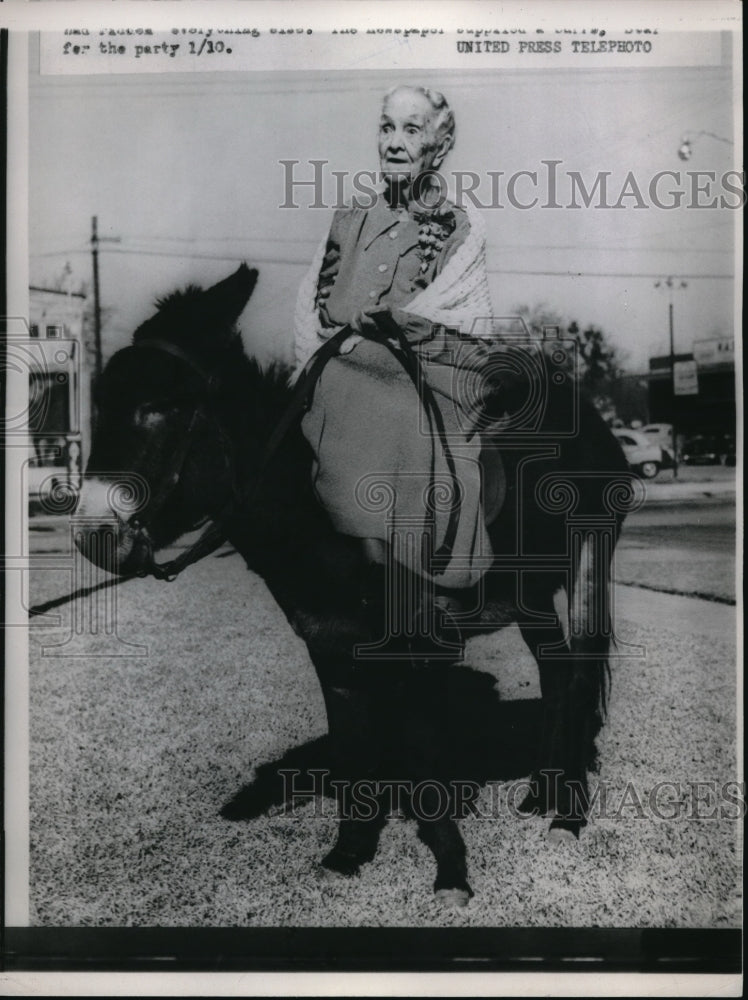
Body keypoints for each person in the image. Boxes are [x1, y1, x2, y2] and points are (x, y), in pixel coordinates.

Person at [294, 85, 500, 644]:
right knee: (307, 404)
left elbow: (447, 309)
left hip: (426, 361)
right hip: (343, 356)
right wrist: (344, 333)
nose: (394, 142)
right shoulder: (350, 215)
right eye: (387, 128)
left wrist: (375, 332)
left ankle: (421, 582)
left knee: (399, 415)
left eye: (411, 130)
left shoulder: (459, 223)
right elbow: (321, 298)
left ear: (439, 142)